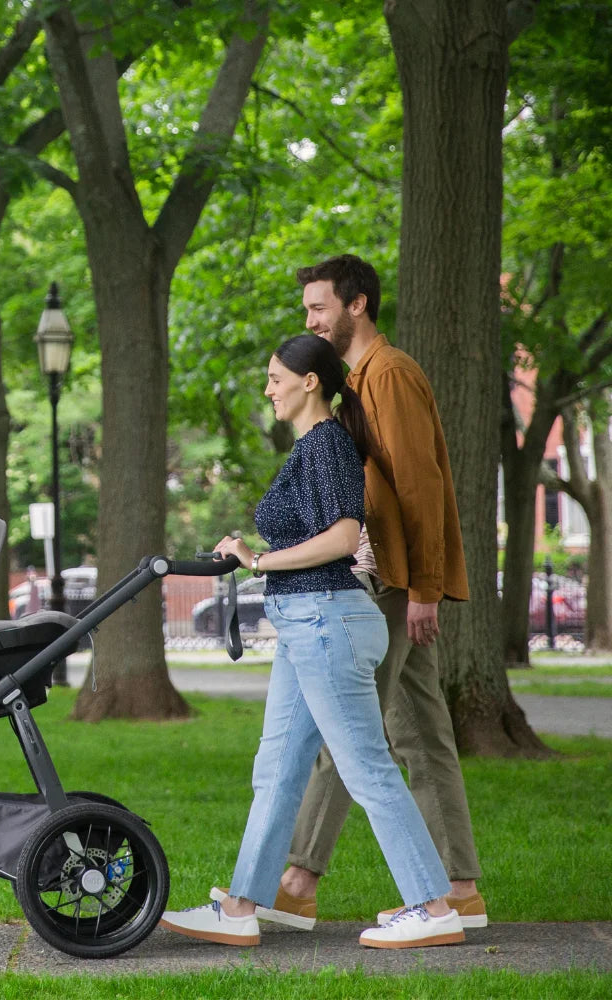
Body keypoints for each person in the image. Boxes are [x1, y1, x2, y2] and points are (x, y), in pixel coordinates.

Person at [159, 334, 465, 949]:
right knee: (275, 768)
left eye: (275, 378)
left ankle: (434, 908)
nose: (268, 388)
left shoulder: (326, 444)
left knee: (367, 767)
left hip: (329, 620)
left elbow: (344, 538)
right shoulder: (313, 446)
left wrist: (258, 560)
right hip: (307, 624)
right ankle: (243, 906)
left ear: (309, 383)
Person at [264, 253, 485, 932]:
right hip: (390, 576)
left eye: (319, 308)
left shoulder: (387, 375)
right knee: (420, 731)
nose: (311, 320)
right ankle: (460, 889)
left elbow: (419, 487)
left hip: (393, 581)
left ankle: (298, 880)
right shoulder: (359, 379)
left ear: (357, 305)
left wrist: (421, 588)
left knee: (347, 731)